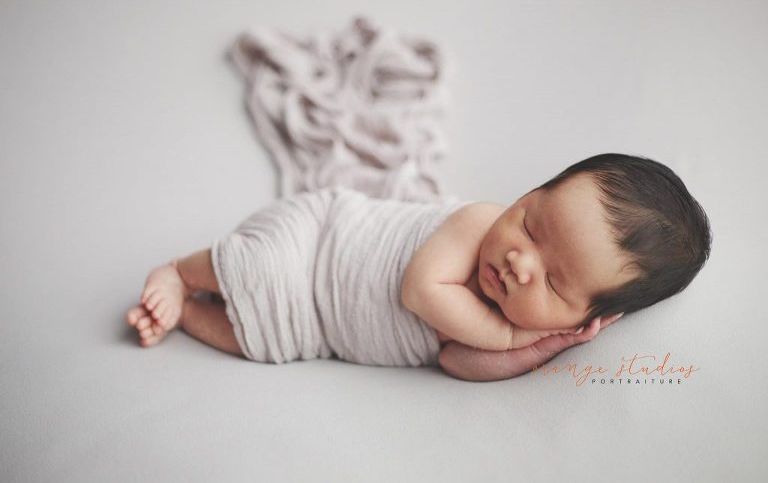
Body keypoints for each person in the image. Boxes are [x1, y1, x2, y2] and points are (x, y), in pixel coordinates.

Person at [125, 153, 711, 381]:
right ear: (528, 192)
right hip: (315, 242)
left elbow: (456, 359)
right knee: (253, 267)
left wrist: (537, 349)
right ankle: (184, 274)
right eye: (531, 224)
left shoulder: (526, 330)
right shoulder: (479, 223)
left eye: (554, 282)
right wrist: (511, 331)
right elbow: (419, 292)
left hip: (319, 327)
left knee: (260, 343)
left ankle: (184, 317)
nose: (518, 260)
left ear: (589, 316)